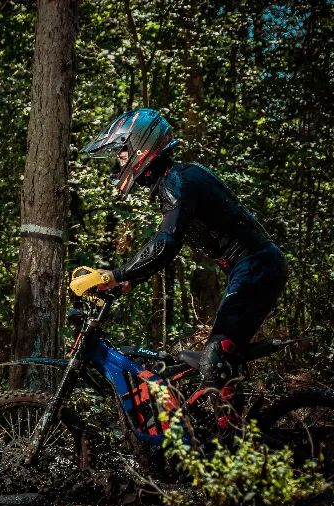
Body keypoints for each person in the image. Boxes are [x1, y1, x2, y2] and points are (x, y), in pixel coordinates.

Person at [80, 108, 287, 392]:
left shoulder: (178, 180)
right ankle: (236, 424)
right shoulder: (176, 178)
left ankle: (232, 434)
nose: (120, 159)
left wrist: (116, 274)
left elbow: (166, 243)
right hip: (252, 268)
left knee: (216, 359)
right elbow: (166, 245)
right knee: (221, 361)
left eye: (123, 151)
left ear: (141, 146)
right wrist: (131, 278)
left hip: (256, 266)